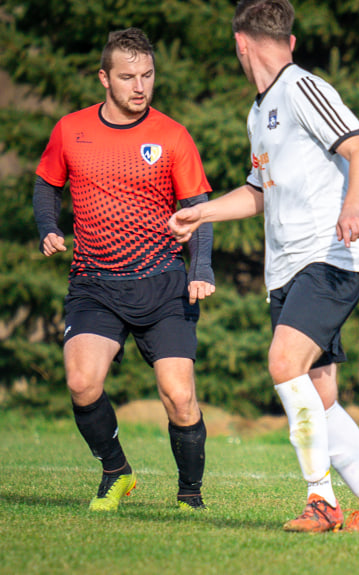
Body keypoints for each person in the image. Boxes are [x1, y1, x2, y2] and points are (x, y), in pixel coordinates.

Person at [168, 0, 359, 533]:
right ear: (288, 40)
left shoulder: (303, 88)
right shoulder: (260, 111)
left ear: (239, 43)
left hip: (331, 257)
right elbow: (258, 193)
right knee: (319, 396)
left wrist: (352, 207)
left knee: (283, 364)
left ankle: (321, 503)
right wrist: (199, 212)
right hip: (291, 268)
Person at [34, 28, 215, 511]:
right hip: (94, 284)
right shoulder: (70, 129)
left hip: (163, 284)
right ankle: (115, 472)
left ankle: (189, 494)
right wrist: (47, 225)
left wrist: (203, 267)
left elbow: (198, 208)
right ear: (104, 78)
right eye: (128, 77)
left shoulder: (172, 135)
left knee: (179, 396)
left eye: (148, 75)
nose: (140, 87)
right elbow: (46, 184)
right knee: (80, 382)